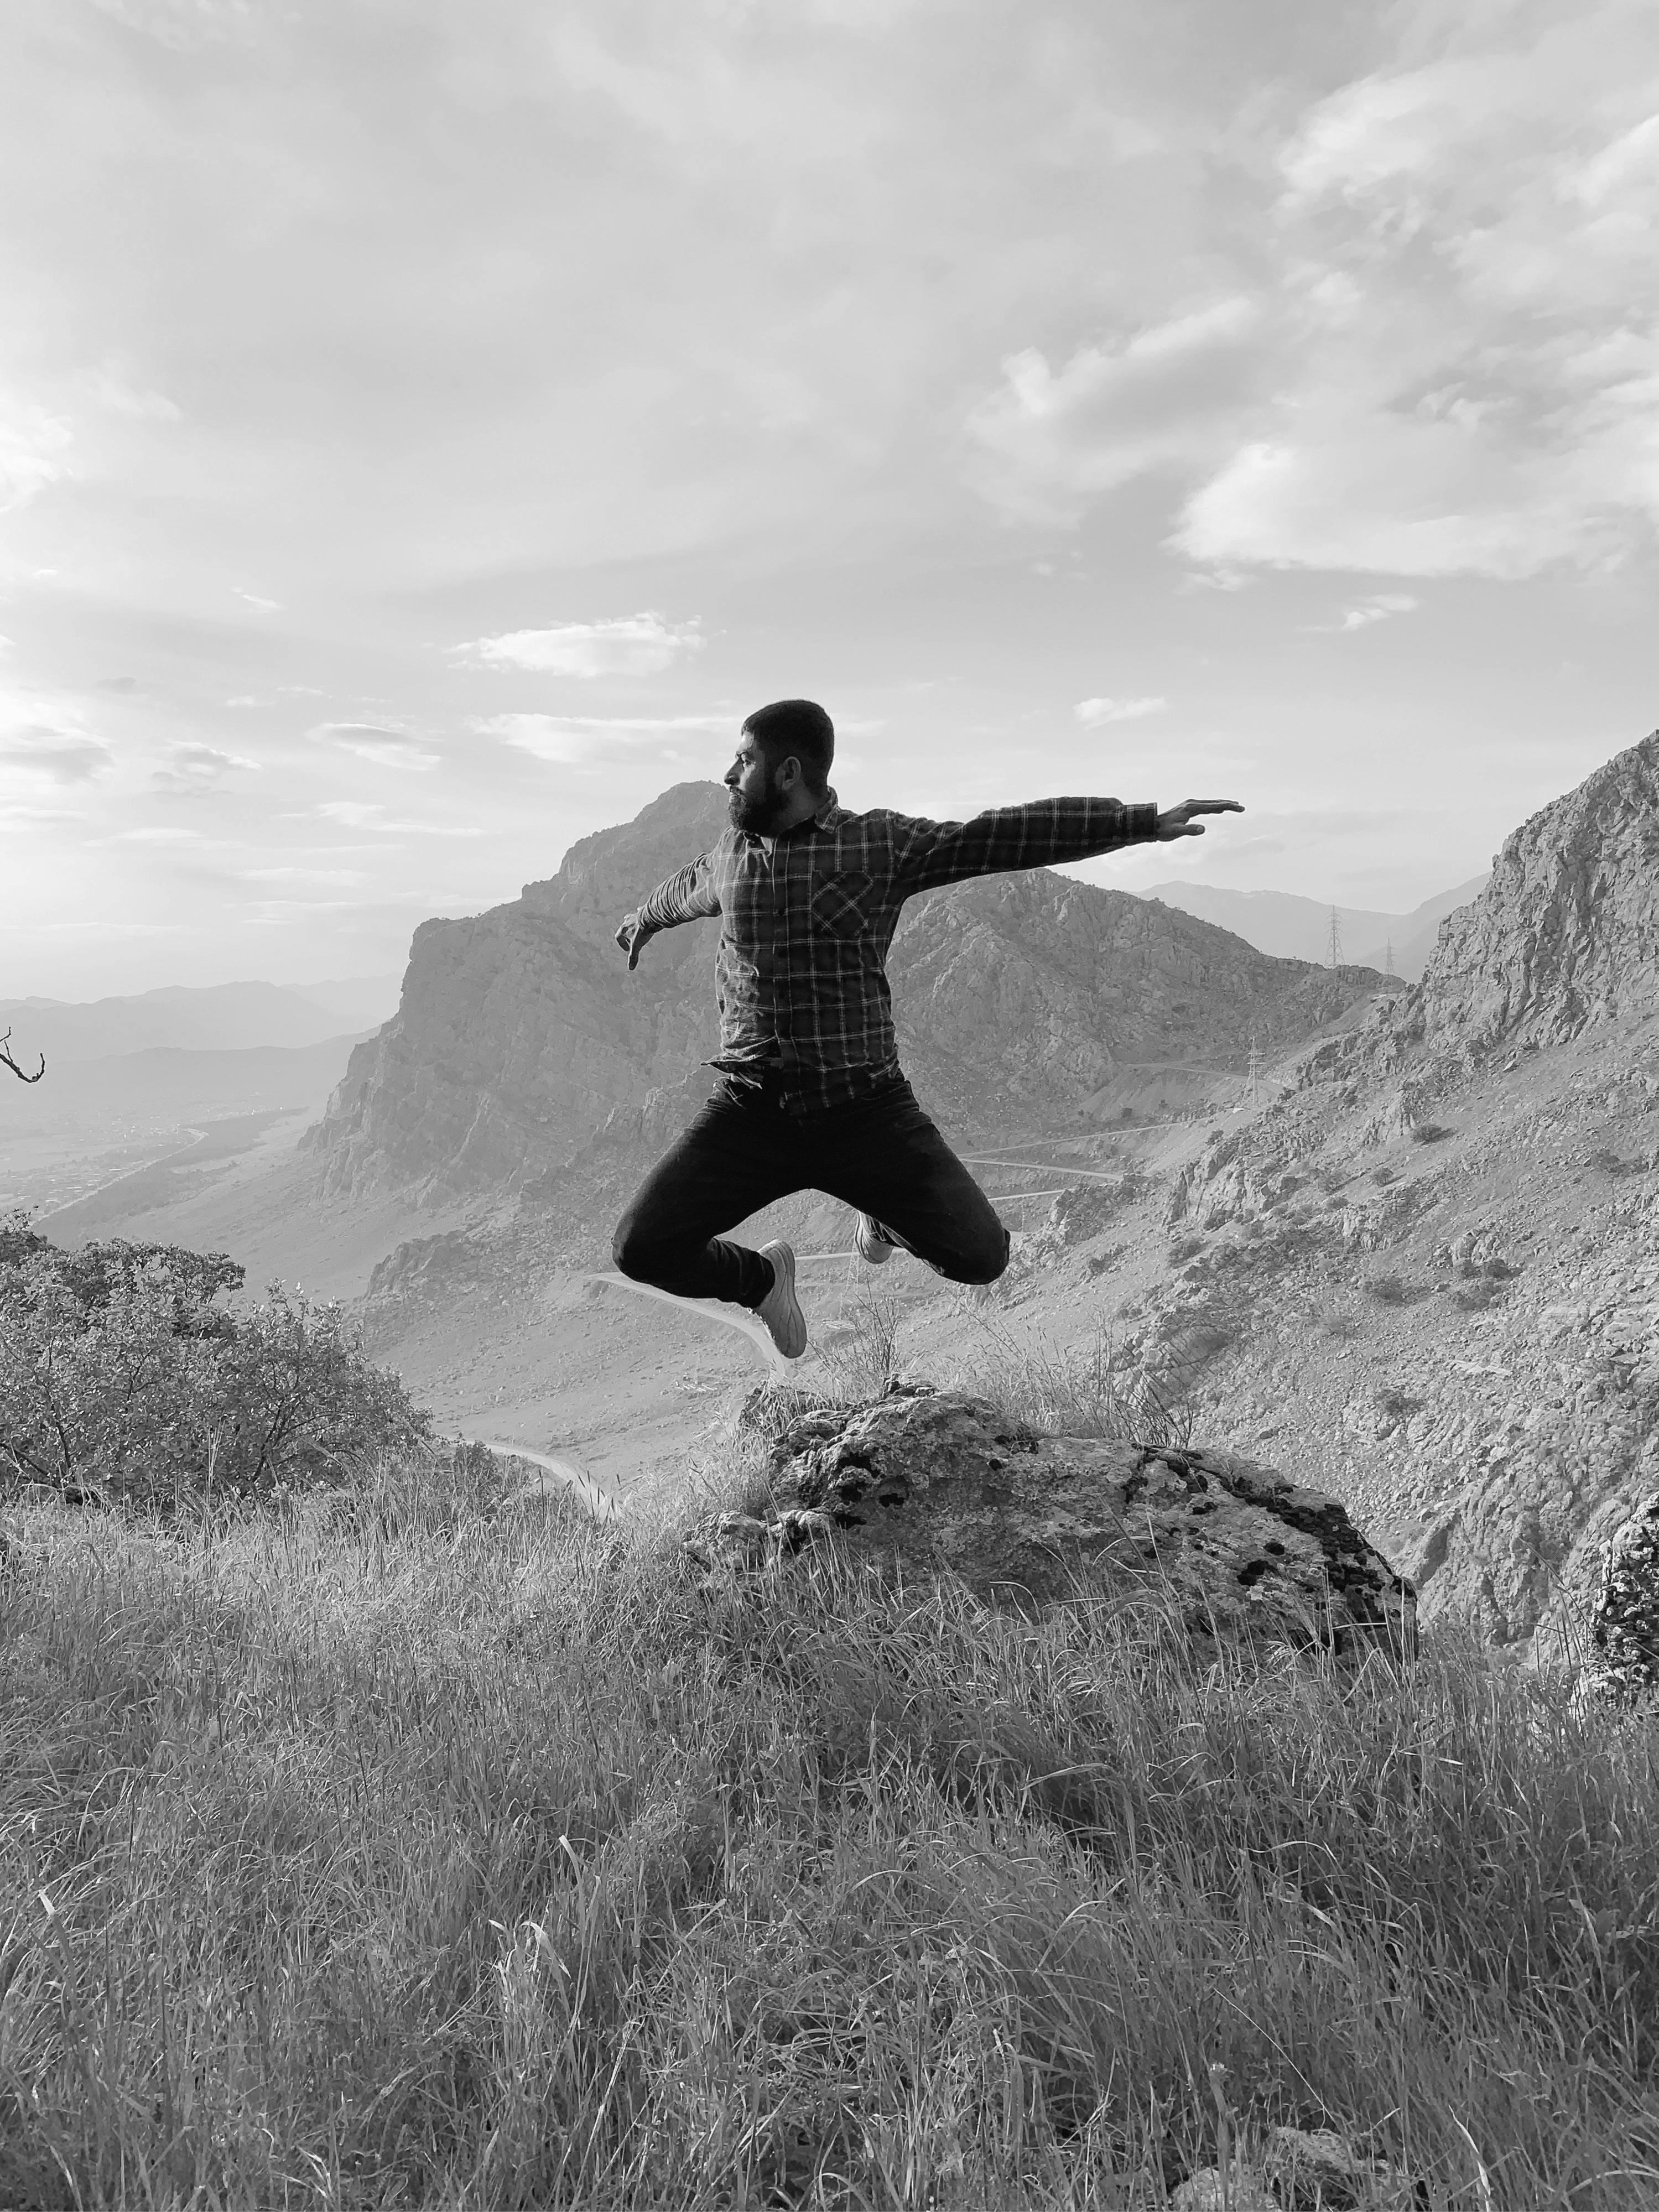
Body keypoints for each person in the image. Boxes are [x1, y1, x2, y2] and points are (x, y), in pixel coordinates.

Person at [611, 698, 1242, 1359]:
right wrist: (643, 918)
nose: (727, 774)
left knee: (981, 1257)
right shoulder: (732, 853)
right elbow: (687, 886)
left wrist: (1135, 822)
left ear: (789, 771)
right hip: (751, 1109)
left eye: (742, 760)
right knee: (641, 1248)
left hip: (861, 1108)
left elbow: (996, 835)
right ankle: (762, 1278)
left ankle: (885, 1215)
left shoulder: (877, 845)